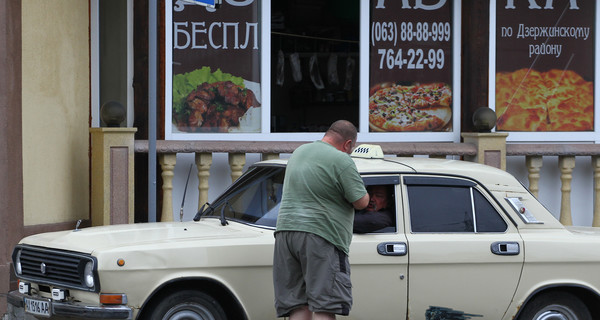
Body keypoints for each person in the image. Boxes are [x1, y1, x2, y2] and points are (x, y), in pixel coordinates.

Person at [273, 120, 369, 320]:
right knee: (324, 306)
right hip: (321, 235)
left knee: (298, 305)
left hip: (286, 232)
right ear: (348, 144)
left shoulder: (299, 152)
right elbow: (361, 202)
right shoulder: (341, 159)